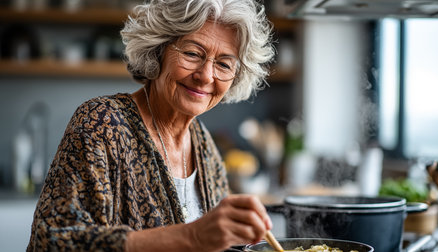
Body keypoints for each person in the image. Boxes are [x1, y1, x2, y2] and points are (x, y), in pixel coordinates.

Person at [27, 0, 275, 251]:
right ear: (158, 49)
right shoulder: (102, 124)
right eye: (192, 53)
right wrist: (193, 237)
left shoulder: (205, 146)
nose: (206, 76)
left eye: (224, 64)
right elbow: (53, 241)